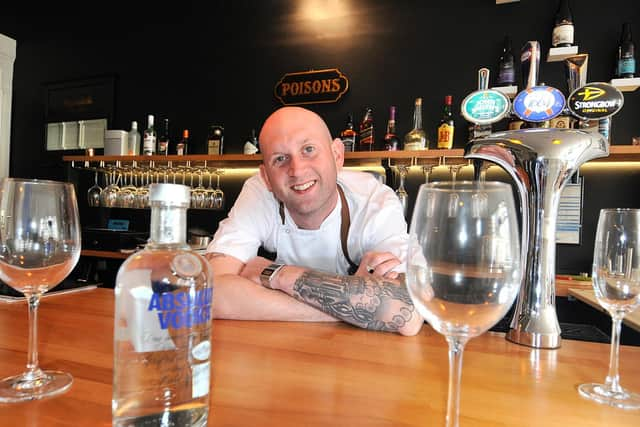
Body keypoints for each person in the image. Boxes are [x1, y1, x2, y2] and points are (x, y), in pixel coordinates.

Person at [206, 106, 423, 336]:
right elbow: (208, 293)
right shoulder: (259, 194)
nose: (297, 170)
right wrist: (353, 303)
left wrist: (276, 273)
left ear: (337, 155)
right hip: (284, 350)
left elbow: (405, 313)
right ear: (266, 177)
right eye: (280, 159)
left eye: (308, 149)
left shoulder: (374, 203)